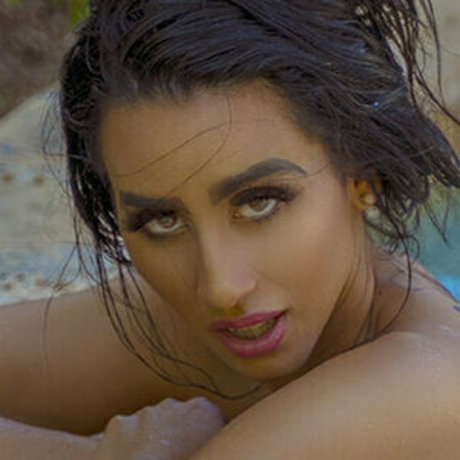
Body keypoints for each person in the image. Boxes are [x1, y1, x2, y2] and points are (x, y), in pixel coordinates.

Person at [1, 0, 460, 458]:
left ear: (363, 175)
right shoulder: (215, 323)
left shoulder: (426, 385)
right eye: (163, 221)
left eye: (259, 204)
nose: (220, 287)